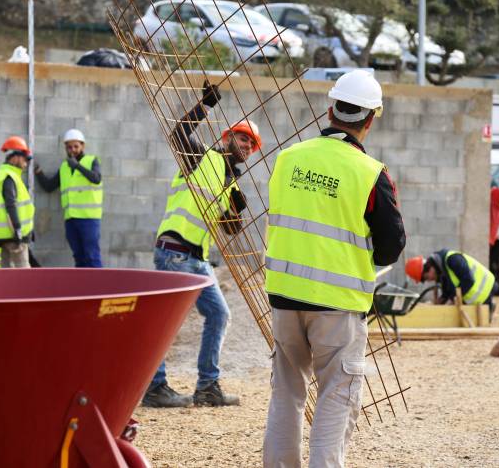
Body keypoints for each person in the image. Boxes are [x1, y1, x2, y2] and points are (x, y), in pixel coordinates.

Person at [262, 70, 406, 468]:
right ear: (370, 119)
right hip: (338, 306)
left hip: (284, 298)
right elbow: (392, 246)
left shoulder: (287, 159)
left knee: (286, 394)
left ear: (331, 110)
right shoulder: (370, 173)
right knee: (336, 397)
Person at [142, 81, 261, 409]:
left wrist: (236, 211)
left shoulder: (229, 181)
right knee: (166, 321)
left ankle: (207, 387)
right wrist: (205, 105)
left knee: (219, 314)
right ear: (226, 138)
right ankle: (155, 387)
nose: (247, 146)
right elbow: (178, 133)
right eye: (242, 138)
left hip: (196, 257)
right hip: (175, 251)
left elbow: (229, 230)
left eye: (251, 144)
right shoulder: (201, 156)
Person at [35, 129, 104, 267]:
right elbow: (49, 186)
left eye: (76, 146)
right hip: (71, 220)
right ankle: (82, 287)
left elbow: (96, 179)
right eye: (69, 147)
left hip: (88, 219)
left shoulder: (92, 161)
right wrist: (38, 172)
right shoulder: (65, 167)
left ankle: (98, 287)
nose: (72, 150)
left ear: (82, 146)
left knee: (91, 255)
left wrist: (77, 166)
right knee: (78, 256)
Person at [0, 136, 34, 268]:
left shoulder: (2, 175)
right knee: (23, 273)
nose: (26, 163)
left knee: (6, 272)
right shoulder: (9, 177)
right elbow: (11, 204)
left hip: (6, 235)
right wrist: (18, 228)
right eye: (25, 158)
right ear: (15, 157)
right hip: (14, 235)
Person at [405, 249, 497, 316]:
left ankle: (491, 305)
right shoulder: (443, 271)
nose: (430, 280)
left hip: (486, 291)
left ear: (429, 267)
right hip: (477, 300)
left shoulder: (452, 259)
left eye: (427, 277)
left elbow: (468, 280)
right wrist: (440, 302)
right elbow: (448, 291)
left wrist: (454, 300)